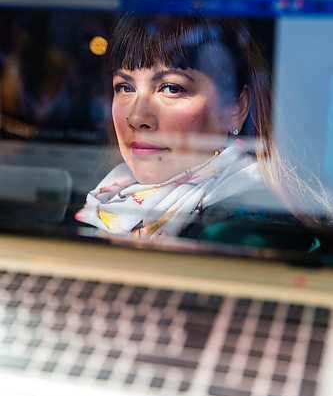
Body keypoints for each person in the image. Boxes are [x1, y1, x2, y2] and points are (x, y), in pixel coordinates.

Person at [76, 12, 332, 246]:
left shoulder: (243, 233)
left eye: (171, 88)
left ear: (236, 108)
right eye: (124, 87)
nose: (136, 116)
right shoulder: (113, 195)